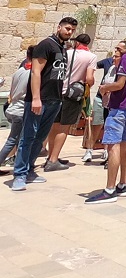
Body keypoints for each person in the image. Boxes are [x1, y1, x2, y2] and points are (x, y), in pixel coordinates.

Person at [11, 16, 77, 191]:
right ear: (59, 27)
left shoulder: (61, 48)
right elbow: (36, 72)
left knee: (40, 138)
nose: (70, 32)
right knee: (28, 137)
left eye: (72, 30)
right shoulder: (46, 45)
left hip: (55, 100)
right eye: (67, 28)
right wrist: (36, 98)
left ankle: (30, 169)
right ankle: (19, 174)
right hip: (40, 99)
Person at [85, 25, 126, 203]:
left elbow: (120, 84)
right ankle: (123, 184)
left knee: (113, 145)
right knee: (124, 144)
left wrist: (105, 87)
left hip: (120, 106)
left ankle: (110, 189)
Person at [45, 33, 97, 171]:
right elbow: (89, 78)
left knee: (54, 126)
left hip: (57, 92)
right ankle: (54, 159)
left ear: (77, 42)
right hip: (72, 96)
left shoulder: (66, 53)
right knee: (65, 127)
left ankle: (50, 156)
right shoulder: (91, 57)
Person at [86, 41, 126, 164]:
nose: (113, 58)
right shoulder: (111, 67)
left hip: (114, 103)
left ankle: (109, 156)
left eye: (116, 55)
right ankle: (90, 150)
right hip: (104, 101)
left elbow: (118, 85)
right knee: (99, 124)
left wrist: (106, 88)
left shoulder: (124, 69)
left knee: (112, 129)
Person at [0, 47, 32, 171]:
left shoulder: (19, 72)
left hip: (12, 109)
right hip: (20, 111)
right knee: (13, 140)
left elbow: (11, 92)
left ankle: (19, 163)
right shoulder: (32, 74)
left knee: (18, 140)